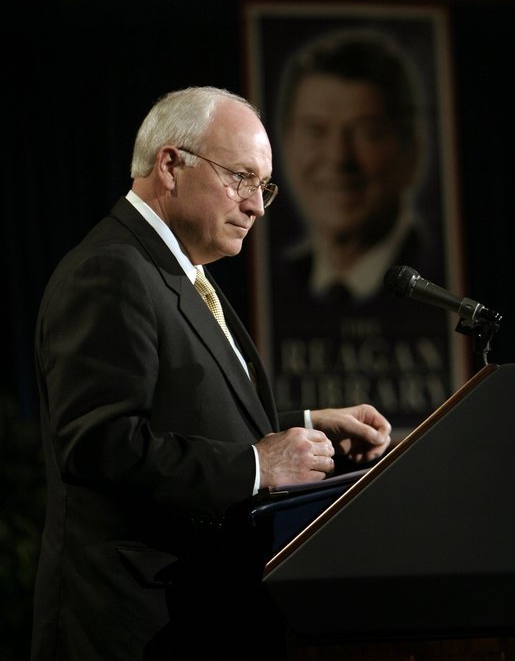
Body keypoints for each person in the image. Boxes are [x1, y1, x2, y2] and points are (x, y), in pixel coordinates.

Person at [30, 86, 391, 661]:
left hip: (196, 618)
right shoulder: (110, 271)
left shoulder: (175, 270)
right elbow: (99, 444)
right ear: (171, 166)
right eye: (242, 178)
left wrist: (304, 425)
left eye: (264, 186)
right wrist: (259, 464)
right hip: (131, 630)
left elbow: (179, 412)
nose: (257, 205)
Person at [262, 29, 454, 433]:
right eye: (315, 130)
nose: (338, 158)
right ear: (287, 143)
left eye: (366, 131)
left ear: (412, 151)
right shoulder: (280, 275)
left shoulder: (435, 277)